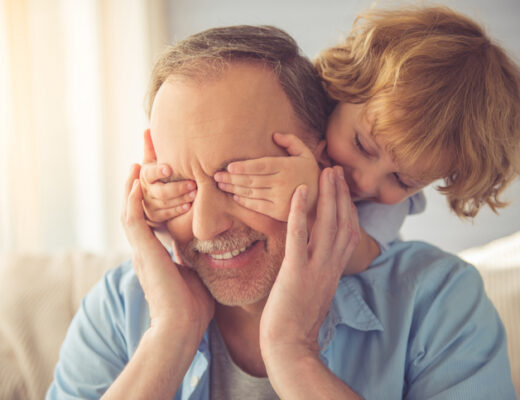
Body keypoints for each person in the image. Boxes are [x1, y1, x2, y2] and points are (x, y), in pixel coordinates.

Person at [47, 25, 516, 399]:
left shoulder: (438, 303)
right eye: (179, 183)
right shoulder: (119, 306)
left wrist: (293, 355)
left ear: (313, 154)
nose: (362, 183)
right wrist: (170, 334)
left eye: (240, 177)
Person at [141, 6, 520, 262]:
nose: (364, 181)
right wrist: (165, 195)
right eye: (362, 145)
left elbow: (357, 256)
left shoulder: (388, 214)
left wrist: (313, 203)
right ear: (343, 88)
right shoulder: (291, 115)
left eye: (403, 180)